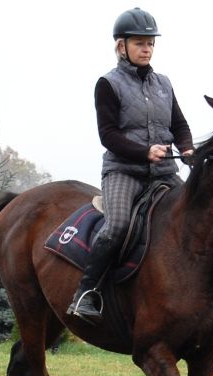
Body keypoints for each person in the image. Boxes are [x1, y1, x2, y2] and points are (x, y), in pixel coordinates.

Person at [67, 7, 194, 323]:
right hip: (124, 171)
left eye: (150, 43)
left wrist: (188, 149)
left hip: (164, 173)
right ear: (121, 46)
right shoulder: (107, 84)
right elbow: (108, 135)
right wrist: (143, 152)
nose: (147, 48)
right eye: (139, 43)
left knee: (194, 216)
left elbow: (179, 124)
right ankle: (86, 292)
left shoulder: (163, 83)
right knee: (118, 226)